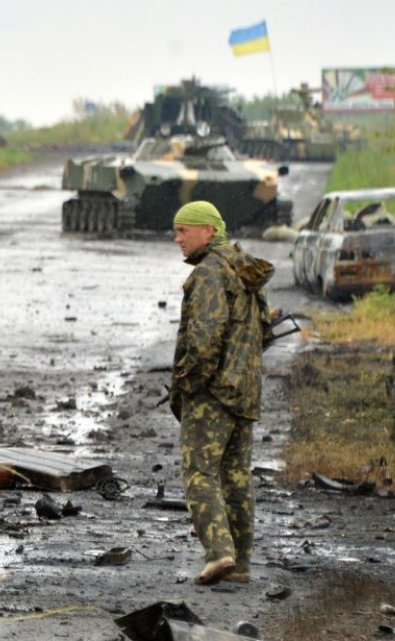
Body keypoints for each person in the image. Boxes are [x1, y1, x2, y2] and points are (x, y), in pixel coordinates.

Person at [169, 200, 274, 585]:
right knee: (236, 476)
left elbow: (204, 339)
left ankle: (218, 554)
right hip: (245, 390)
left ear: (208, 231)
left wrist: (189, 383)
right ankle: (241, 564)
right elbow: (263, 334)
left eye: (184, 230)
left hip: (213, 392)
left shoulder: (211, 272)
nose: (177, 238)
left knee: (199, 473)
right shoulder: (243, 269)